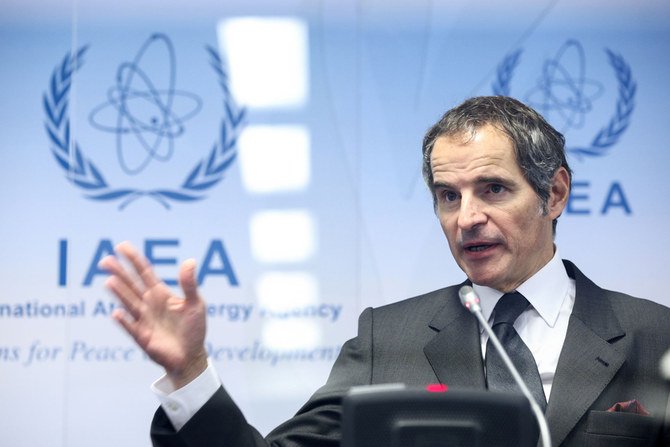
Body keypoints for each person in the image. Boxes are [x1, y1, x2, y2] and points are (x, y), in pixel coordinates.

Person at [100, 96, 670, 446]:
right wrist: (191, 373)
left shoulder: (653, 334)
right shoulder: (387, 339)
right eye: (448, 196)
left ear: (555, 193)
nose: (467, 218)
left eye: (492, 189)